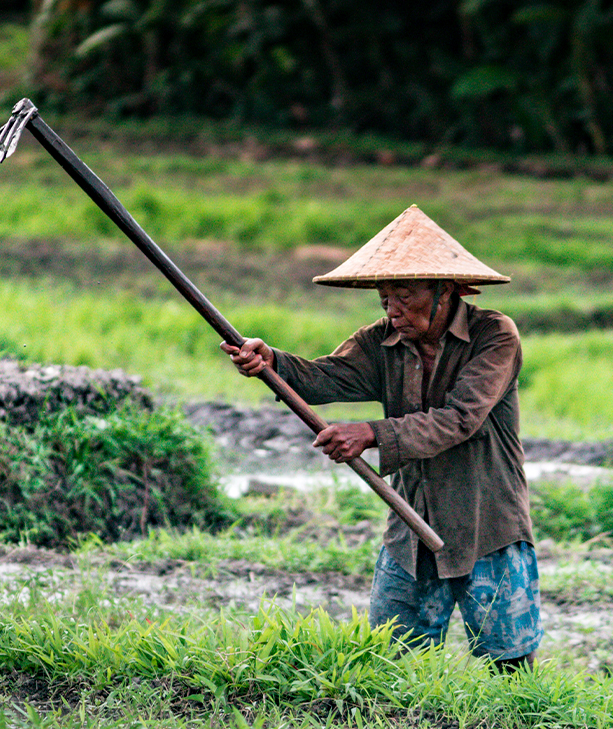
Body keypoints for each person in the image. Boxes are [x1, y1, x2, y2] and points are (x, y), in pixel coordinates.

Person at [221, 205, 540, 672]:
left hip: (486, 520)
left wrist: (371, 433)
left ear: (444, 291)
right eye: (384, 298)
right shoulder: (380, 340)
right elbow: (322, 378)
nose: (392, 311)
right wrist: (272, 363)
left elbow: (460, 418)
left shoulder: (494, 335)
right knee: (390, 661)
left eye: (405, 297)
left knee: (509, 663)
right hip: (411, 518)